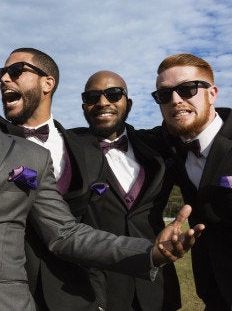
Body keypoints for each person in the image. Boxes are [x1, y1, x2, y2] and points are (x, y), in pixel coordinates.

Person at [0, 46, 203, 311]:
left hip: (75, 293)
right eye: (0, 74)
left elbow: (66, 232)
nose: (2, 79)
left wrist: (231, 126)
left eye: (14, 72)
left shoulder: (86, 147)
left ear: (48, 83)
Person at [152, 53, 232, 310]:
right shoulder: (170, 144)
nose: (175, 100)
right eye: (164, 94)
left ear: (212, 93)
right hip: (213, 297)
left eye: (187, 89)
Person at [72, 70, 182, 310]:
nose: (103, 102)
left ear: (128, 103)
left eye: (113, 94)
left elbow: (203, 130)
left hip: (158, 291)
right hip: (98, 293)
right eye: (92, 97)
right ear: (83, 107)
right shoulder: (68, 147)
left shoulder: (157, 144)